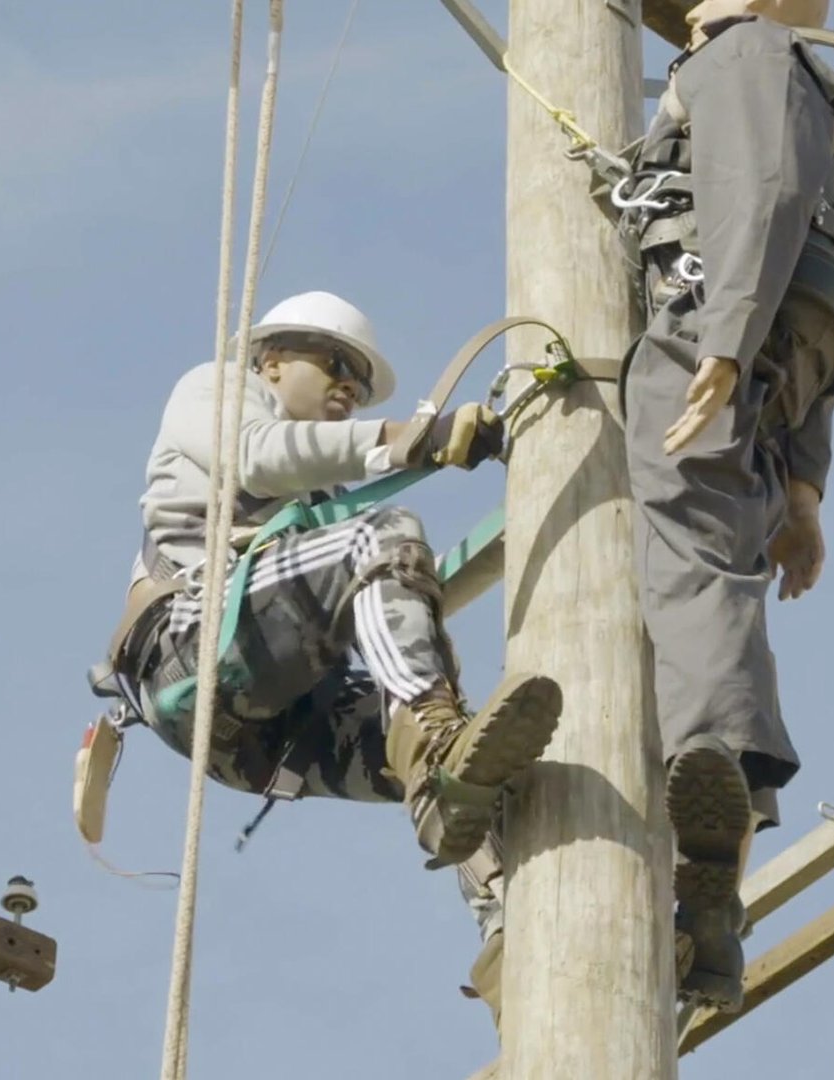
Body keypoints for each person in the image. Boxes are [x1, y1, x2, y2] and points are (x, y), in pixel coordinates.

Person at [616, 0, 834, 1011]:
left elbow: (760, 190)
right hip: (799, 326)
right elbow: (804, 231)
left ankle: (715, 752)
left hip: (722, 307)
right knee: (726, 560)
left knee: (691, 535)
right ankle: (713, 897)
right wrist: (802, 491)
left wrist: (722, 339)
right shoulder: (821, 92)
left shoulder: (748, 50)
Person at [106, 290, 563, 890]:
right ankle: (430, 742)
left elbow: (395, 602)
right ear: (272, 361)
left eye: (361, 384)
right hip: (193, 651)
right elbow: (258, 457)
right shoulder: (216, 388)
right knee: (381, 535)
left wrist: (523, 531)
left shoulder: (321, 505)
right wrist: (411, 438)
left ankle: (502, 911)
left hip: (267, 736)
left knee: (495, 776)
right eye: (336, 365)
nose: (351, 387)